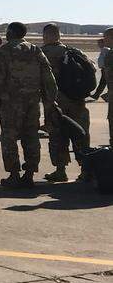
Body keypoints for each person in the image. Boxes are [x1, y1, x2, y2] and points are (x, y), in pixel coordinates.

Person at [0, 21, 57, 189]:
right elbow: (49, 79)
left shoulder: (3, 52)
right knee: (31, 137)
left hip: (10, 103)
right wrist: (49, 100)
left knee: (9, 138)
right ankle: (29, 174)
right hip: (32, 102)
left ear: (11, 33)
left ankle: (14, 174)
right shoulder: (36, 50)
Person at [40, 23, 91, 183]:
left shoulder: (43, 53)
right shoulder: (75, 52)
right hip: (78, 101)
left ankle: (60, 170)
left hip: (57, 103)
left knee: (57, 135)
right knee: (80, 135)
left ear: (46, 35)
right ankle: (86, 170)